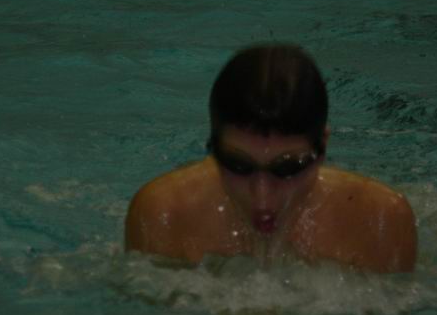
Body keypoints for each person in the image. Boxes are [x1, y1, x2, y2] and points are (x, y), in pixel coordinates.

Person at [124, 43, 417, 273]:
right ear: (214, 147)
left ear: (323, 147)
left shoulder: (378, 220)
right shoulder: (164, 214)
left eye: (287, 168)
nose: (262, 197)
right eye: (238, 165)